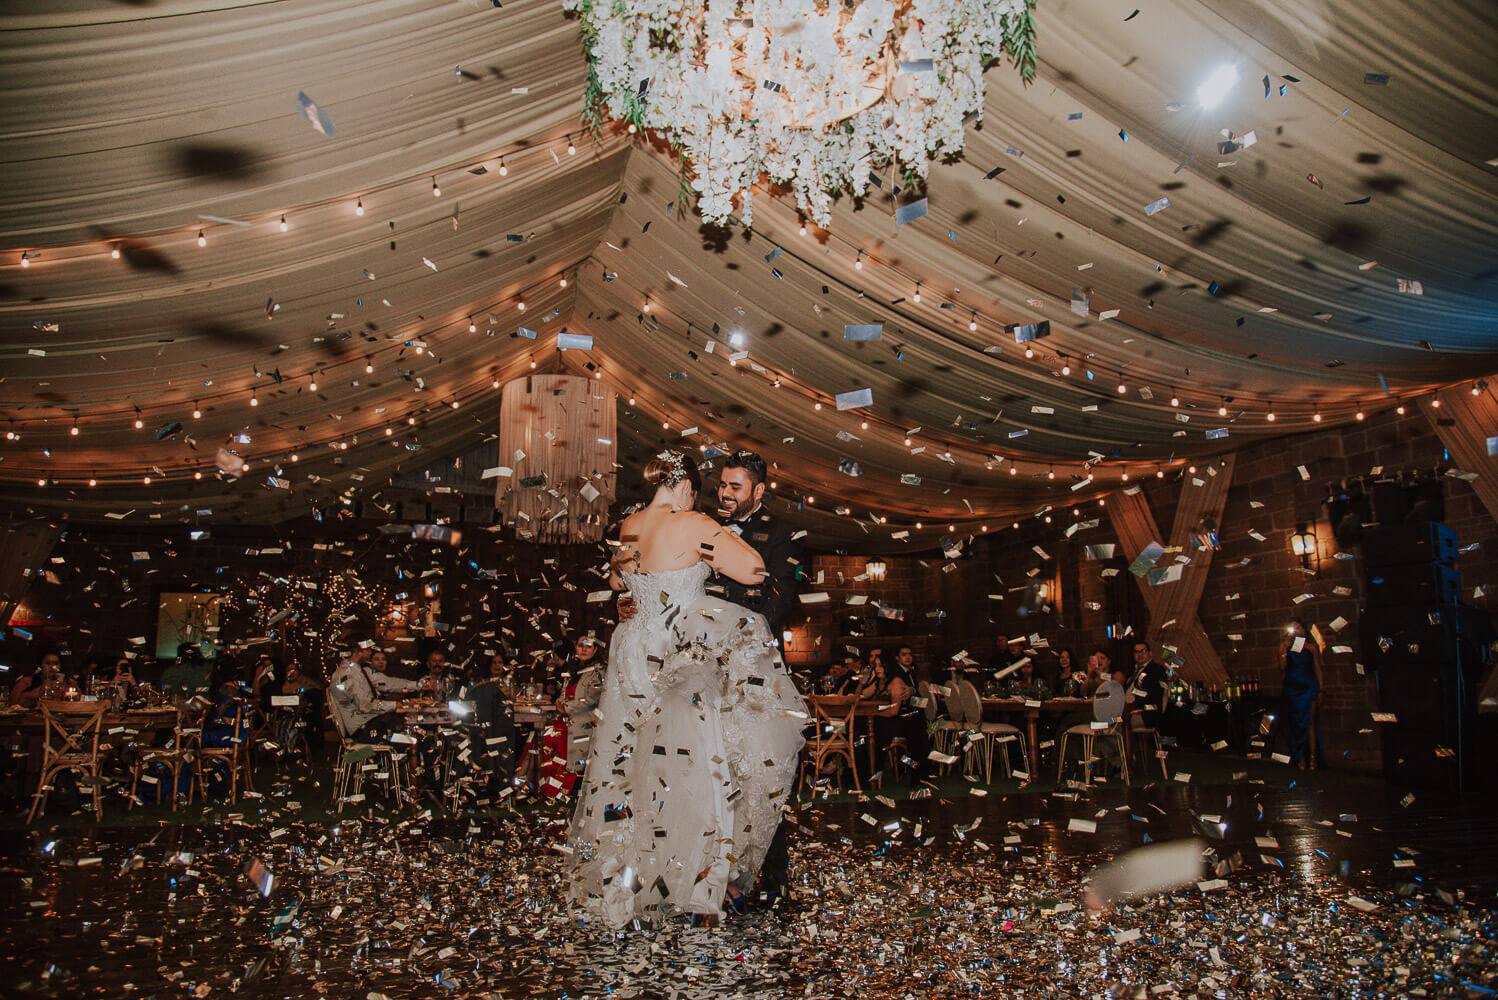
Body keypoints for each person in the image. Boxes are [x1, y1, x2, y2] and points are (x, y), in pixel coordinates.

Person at [568, 450, 805, 927]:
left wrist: (637, 595)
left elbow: (617, 577)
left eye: (735, 487)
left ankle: (632, 876)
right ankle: (694, 879)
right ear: (687, 488)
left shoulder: (630, 525)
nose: (719, 496)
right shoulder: (695, 522)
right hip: (681, 657)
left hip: (634, 652)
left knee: (632, 761)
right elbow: (753, 570)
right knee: (693, 763)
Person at [328, 636, 418, 741]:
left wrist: (418, 685)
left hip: (371, 724)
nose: (371, 652)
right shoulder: (348, 675)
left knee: (410, 729)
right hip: (364, 730)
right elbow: (366, 706)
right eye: (367, 649)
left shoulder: (357, 670)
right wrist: (396, 705)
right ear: (357, 652)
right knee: (411, 738)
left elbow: (388, 683)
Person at [1279, 619, 1324, 770]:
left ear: (1304, 630)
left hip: (1308, 687)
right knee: (1295, 723)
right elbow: (1282, 668)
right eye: (1293, 628)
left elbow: (1317, 668)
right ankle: (1299, 757)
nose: (1295, 630)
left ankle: (1312, 757)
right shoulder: (1285, 645)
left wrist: (1320, 689)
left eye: (1298, 627)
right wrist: (1284, 652)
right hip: (1292, 688)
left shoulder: (1311, 647)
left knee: (1310, 721)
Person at [1126, 640, 1169, 731]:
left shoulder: (1156, 670)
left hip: (1146, 713)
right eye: (1137, 652)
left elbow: (1156, 695)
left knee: (1120, 722)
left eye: (1143, 651)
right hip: (1129, 709)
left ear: (1150, 653)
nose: (1140, 655)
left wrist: (1135, 705)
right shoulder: (1134, 670)